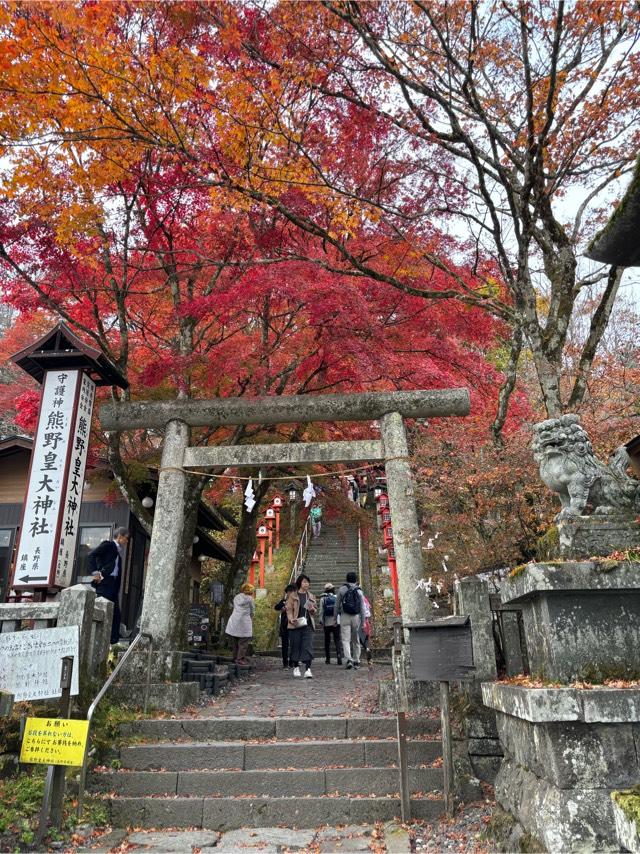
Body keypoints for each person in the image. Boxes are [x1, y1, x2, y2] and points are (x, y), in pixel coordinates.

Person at [88, 527, 130, 644]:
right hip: (105, 583)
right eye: (126, 538)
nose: (127, 541)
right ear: (120, 536)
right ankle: (99, 638)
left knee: (116, 614)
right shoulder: (109, 545)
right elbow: (91, 555)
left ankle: (112, 640)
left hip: (113, 586)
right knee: (104, 611)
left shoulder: (118, 554)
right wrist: (95, 572)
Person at [286, 573, 317, 678]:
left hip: (307, 625)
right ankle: (296, 667)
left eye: (308, 582)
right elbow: (289, 609)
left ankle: (308, 669)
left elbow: (314, 611)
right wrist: (291, 619)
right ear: (300, 583)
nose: (306, 584)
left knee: (308, 646)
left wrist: (313, 610)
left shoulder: (311, 596)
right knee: (295, 646)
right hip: (295, 625)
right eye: (304, 582)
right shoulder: (293, 596)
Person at [336, 571, 366, 669]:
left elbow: (336, 606)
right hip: (356, 617)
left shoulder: (342, 589)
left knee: (345, 639)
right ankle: (356, 660)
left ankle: (349, 659)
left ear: (346, 579)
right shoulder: (359, 591)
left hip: (345, 616)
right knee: (356, 640)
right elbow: (362, 608)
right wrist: (364, 621)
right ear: (356, 580)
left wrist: (334, 618)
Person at [225, 582, 255, 664]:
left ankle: (235, 657)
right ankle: (240, 658)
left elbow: (234, 607)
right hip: (244, 622)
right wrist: (251, 616)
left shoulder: (237, 597)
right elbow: (252, 611)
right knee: (244, 641)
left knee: (235, 641)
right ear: (251, 591)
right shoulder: (250, 599)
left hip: (234, 621)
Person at [319, 582, 342, 665]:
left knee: (327, 641)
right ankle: (339, 657)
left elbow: (321, 611)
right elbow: (340, 609)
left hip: (327, 622)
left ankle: (328, 659)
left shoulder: (323, 599)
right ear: (333, 589)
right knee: (337, 639)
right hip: (336, 621)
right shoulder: (337, 597)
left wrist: (321, 620)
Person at [274, 583, 296, 668]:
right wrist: (282, 608)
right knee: (285, 645)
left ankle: (292, 661)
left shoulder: (296, 601)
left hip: (294, 625)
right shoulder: (283, 601)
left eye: (290, 592)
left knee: (294, 644)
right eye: (288, 592)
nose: (289, 594)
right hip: (285, 625)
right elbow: (276, 607)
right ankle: (285, 662)